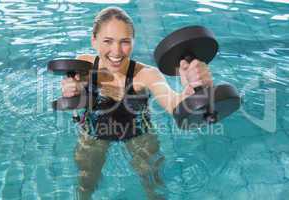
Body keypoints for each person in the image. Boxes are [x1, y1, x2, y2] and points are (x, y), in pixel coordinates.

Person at [61, 6, 213, 200]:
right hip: (93, 132)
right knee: (85, 183)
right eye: (108, 41)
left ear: (133, 42)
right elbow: (74, 88)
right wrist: (71, 89)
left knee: (153, 185)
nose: (116, 51)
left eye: (125, 42)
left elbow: (175, 104)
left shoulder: (146, 75)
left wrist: (193, 88)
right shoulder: (84, 64)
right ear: (94, 40)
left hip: (138, 134)